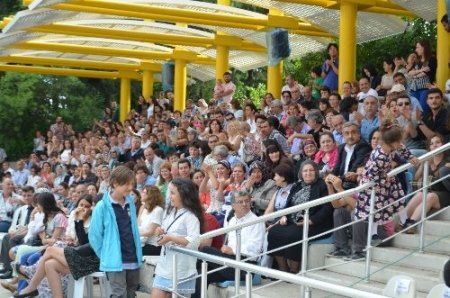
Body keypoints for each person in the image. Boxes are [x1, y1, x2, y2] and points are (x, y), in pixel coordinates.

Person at [354, 119, 419, 256]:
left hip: (385, 181)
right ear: (392, 142)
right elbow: (371, 175)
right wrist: (384, 178)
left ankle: (404, 219)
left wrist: (410, 156)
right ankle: (373, 234)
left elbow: (402, 148)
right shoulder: (380, 156)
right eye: (398, 141)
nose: (400, 144)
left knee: (398, 197)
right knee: (375, 208)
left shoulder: (393, 146)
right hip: (374, 185)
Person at [14, 195, 96, 298]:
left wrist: (79, 221)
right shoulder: (74, 215)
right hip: (77, 250)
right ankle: (40, 289)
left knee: (49, 250)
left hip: (89, 258)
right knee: (49, 264)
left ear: (92, 208)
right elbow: (70, 235)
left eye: (87, 206)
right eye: (81, 205)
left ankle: (32, 282)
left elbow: (84, 243)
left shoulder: (91, 220)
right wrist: (70, 235)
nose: (83, 208)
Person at [192, 189, 265, 298]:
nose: (244, 204)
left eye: (247, 201)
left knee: (205, 250)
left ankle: (184, 268)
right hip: (230, 262)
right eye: (240, 202)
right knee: (200, 273)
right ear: (233, 205)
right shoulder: (232, 221)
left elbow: (255, 250)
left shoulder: (257, 221)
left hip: (245, 267)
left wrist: (233, 250)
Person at [267, 160, 333, 273]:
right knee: (274, 232)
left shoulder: (322, 185)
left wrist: (311, 220)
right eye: (305, 171)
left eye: (311, 170)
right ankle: (283, 268)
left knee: (293, 235)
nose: (308, 173)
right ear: (301, 173)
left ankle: (294, 270)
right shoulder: (297, 185)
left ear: (316, 172)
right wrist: (284, 216)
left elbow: (327, 208)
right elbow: (288, 203)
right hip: (293, 220)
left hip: (314, 223)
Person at [89, 166, 142, 298]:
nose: (130, 188)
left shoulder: (131, 203)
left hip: (133, 258)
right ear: (114, 183)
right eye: (126, 184)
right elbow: (94, 236)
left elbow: (133, 230)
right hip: (115, 261)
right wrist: (106, 254)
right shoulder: (101, 206)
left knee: (131, 294)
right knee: (119, 294)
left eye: (132, 184)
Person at [152, 178, 204, 298]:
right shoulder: (170, 212)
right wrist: (159, 232)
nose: (169, 196)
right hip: (164, 267)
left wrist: (171, 237)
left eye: (173, 193)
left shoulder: (191, 217)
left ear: (184, 194)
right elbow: (163, 234)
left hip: (181, 270)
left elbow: (194, 242)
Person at [397, 134, 450, 233]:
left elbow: (440, 182)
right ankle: (402, 222)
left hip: (445, 193)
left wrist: (433, 164)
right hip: (431, 192)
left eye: (438, 142)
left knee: (430, 196)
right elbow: (416, 179)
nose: (434, 145)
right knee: (420, 194)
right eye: (432, 143)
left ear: (443, 144)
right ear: (429, 147)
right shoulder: (428, 159)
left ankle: (412, 223)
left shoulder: (447, 161)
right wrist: (423, 165)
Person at [332, 121, 371, 190]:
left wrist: (337, 179)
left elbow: (354, 169)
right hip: (342, 181)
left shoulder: (364, 147)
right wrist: (331, 176)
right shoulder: (341, 148)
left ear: (359, 134)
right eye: (347, 133)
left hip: (354, 183)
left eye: (353, 132)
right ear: (343, 136)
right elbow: (336, 168)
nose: (350, 136)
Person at [138, 185, 164, 256]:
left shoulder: (158, 210)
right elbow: (138, 226)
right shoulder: (143, 208)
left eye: (144, 192)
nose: (141, 193)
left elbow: (151, 232)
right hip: (142, 242)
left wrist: (134, 235)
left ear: (151, 195)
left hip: (152, 245)